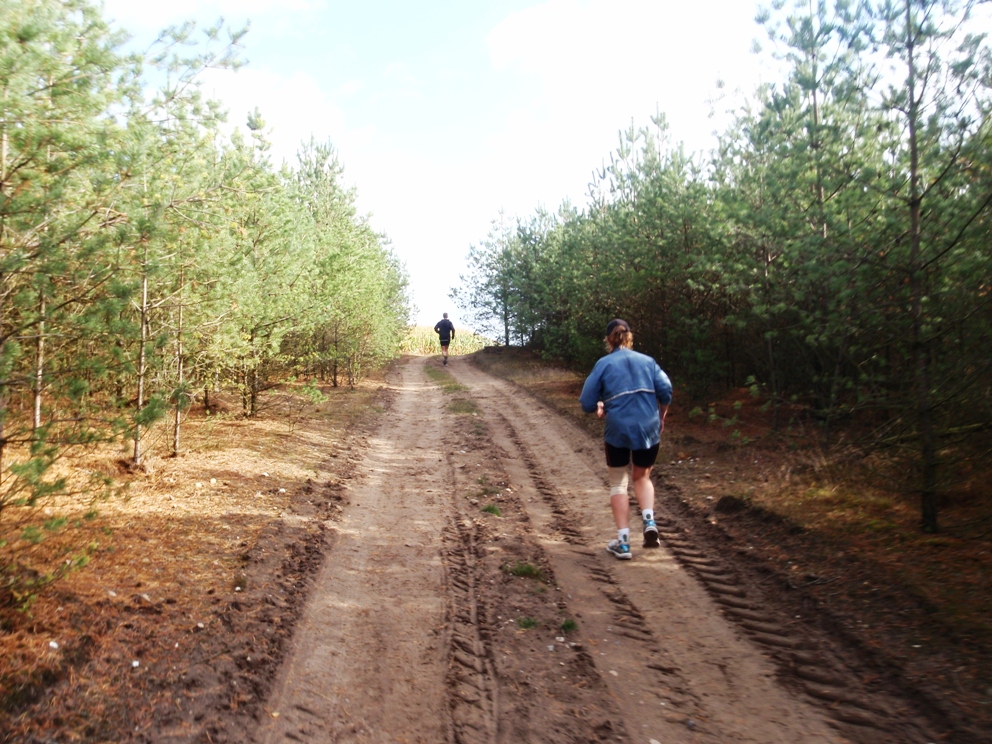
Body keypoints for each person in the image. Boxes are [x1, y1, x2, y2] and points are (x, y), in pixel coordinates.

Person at [579, 319, 672, 560]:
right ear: (630, 338)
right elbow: (666, 391)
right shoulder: (648, 362)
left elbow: (586, 402)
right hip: (648, 428)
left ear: (608, 339)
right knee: (642, 476)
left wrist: (601, 404)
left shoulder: (603, 364)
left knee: (618, 483)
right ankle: (649, 521)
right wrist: (660, 417)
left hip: (618, 430)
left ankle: (623, 543)